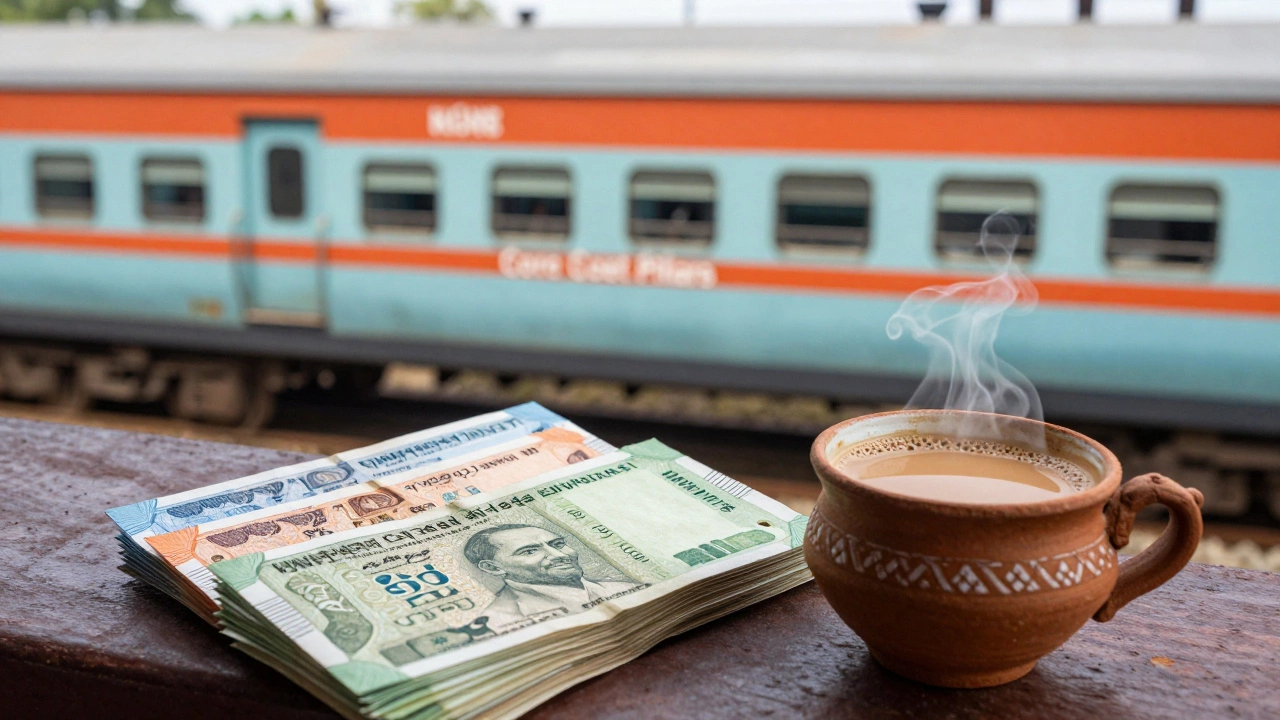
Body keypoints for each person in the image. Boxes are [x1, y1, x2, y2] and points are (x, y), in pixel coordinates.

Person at [463, 523, 640, 631]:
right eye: (530, 551)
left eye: (558, 544)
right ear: (493, 568)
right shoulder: (498, 622)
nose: (558, 554)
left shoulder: (626, 588)